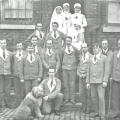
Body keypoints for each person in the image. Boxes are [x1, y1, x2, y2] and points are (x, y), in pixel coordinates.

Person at [86, 43, 109, 120]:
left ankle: (102, 114)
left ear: (99, 48)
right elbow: (88, 71)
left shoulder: (104, 58)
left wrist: (105, 80)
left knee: (101, 97)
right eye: (93, 48)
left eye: (96, 48)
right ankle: (96, 112)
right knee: (94, 97)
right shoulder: (91, 58)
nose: (94, 49)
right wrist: (88, 82)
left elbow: (107, 70)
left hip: (101, 82)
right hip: (92, 82)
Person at [61, 36, 79, 104]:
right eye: (66, 41)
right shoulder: (62, 50)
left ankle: (72, 99)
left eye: (69, 41)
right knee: (65, 84)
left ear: (71, 41)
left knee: (72, 84)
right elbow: (61, 58)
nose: (68, 42)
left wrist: (74, 64)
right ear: (65, 42)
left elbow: (78, 58)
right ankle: (66, 99)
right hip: (65, 69)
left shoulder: (75, 49)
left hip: (73, 69)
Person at [77, 43, 91, 112]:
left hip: (87, 77)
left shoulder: (91, 56)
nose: (84, 49)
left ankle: (88, 108)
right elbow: (79, 65)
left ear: (87, 48)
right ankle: (84, 106)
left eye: (85, 47)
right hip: (81, 77)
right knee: (82, 93)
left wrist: (86, 74)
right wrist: (79, 73)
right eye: (82, 47)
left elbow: (91, 68)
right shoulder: (80, 56)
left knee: (88, 93)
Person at [108, 39, 120, 119]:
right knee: (115, 97)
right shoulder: (115, 53)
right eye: (119, 44)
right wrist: (111, 76)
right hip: (115, 78)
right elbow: (111, 66)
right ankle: (116, 112)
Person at [101, 39, 113, 113]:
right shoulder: (99, 53)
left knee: (108, 93)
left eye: (106, 44)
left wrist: (111, 75)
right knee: (101, 94)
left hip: (108, 76)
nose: (104, 45)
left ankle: (107, 110)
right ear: (101, 45)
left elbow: (112, 65)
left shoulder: (111, 53)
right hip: (100, 76)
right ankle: (101, 109)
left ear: (107, 44)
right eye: (103, 44)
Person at [0, 39, 13, 109]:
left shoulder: (10, 53)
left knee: (7, 89)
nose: (3, 44)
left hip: (8, 73)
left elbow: (11, 63)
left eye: (4, 43)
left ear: (6, 44)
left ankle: (8, 103)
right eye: (1, 43)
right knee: (1, 89)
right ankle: (2, 104)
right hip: (0, 74)